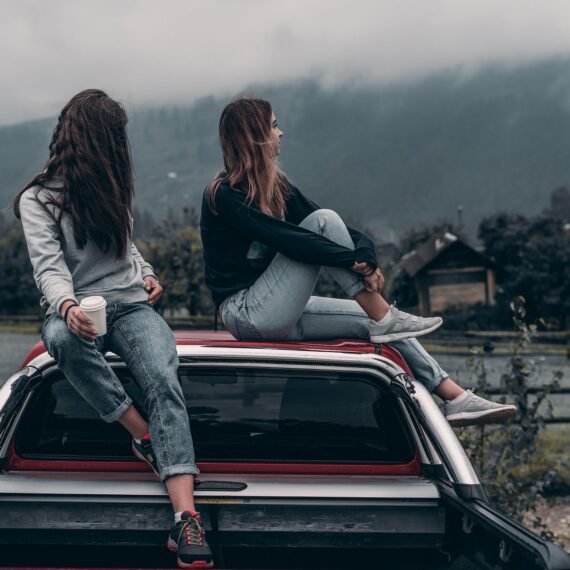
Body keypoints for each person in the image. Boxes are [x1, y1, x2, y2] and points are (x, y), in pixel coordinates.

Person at [200, 97, 516, 426]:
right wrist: (351, 261)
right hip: (246, 312)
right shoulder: (223, 195)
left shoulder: (276, 186)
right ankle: (385, 315)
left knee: (375, 325)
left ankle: (455, 397)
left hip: (278, 309)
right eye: (274, 126)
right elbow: (290, 239)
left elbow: (338, 230)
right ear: (255, 136)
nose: (281, 133)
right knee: (323, 222)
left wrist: (366, 255)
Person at [13, 89, 213, 569]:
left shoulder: (111, 186)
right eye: (115, 137)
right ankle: (142, 434)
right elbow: (48, 266)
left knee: (162, 376)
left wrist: (146, 272)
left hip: (131, 305)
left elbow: (126, 246)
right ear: (93, 140)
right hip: (77, 309)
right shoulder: (39, 199)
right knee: (59, 339)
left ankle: (185, 518)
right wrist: (66, 306)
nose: (121, 146)